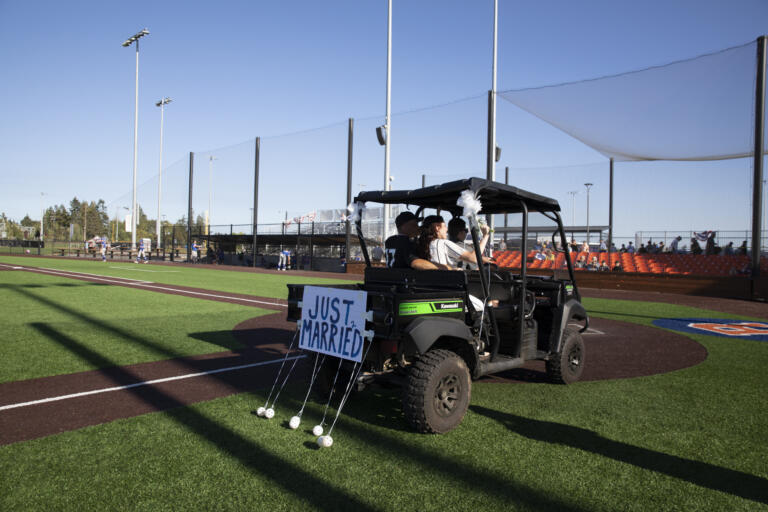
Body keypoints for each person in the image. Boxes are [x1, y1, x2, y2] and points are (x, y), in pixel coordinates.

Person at [419, 215, 493, 269]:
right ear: (437, 228)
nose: (446, 229)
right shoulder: (441, 243)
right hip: (446, 283)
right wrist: (485, 235)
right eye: (444, 226)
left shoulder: (423, 243)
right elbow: (474, 258)